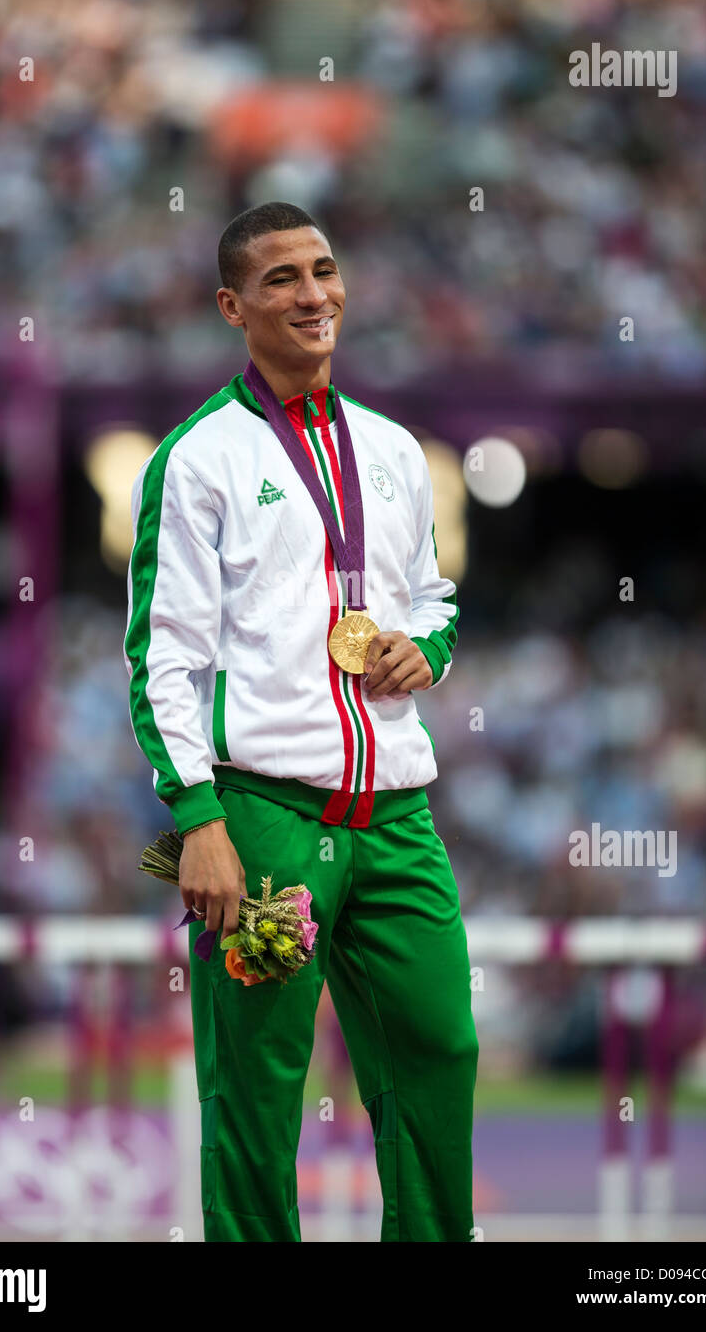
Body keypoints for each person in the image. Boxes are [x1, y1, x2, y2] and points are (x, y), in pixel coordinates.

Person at [124, 201, 478, 1242]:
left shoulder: (393, 448)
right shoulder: (195, 459)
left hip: (397, 819)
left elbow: (430, 594)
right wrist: (198, 817)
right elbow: (162, 658)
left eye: (322, 270)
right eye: (280, 279)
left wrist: (428, 647)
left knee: (439, 1052)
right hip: (268, 821)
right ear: (233, 306)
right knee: (256, 1092)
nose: (312, 293)